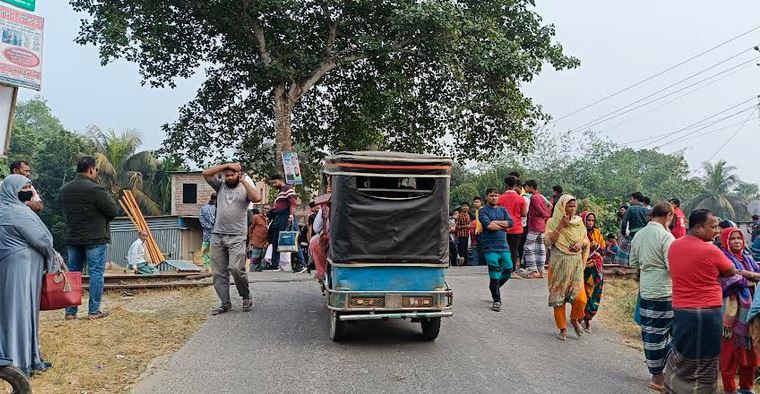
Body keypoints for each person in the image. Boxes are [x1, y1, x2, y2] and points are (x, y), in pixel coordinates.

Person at [664, 209, 737, 393]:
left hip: (681, 309)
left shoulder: (674, 245)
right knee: (706, 357)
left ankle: (673, 385)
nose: (717, 231)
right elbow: (731, 271)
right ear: (697, 227)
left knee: (681, 351)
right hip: (706, 312)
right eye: (712, 227)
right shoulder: (710, 249)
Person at [0, 175, 57, 375]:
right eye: (24, 187)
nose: (29, 190)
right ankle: (18, 361)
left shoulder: (4, 210)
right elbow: (41, 239)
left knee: (14, 311)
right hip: (20, 269)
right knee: (20, 311)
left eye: (30, 186)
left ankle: (19, 356)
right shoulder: (17, 211)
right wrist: (53, 256)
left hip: (14, 267)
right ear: (11, 190)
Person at [61, 156, 119, 320]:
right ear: (91, 169)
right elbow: (113, 211)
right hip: (95, 238)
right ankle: (93, 311)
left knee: (73, 274)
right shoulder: (95, 189)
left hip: (73, 237)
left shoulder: (65, 189)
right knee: (95, 274)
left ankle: (70, 312)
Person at [202, 162, 262, 315]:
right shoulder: (220, 186)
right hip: (218, 235)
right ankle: (224, 303)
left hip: (237, 236)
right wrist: (225, 166)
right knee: (218, 272)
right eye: (226, 175)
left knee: (236, 269)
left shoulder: (244, 188)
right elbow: (206, 174)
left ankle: (245, 295)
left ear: (238, 174)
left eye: (232, 175)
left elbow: (257, 198)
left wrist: (243, 180)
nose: (229, 178)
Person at [628, 202, 675, 392]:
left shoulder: (639, 235)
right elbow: (672, 267)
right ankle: (658, 376)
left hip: (646, 288)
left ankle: (658, 373)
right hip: (664, 290)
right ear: (669, 215)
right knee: (665, 334)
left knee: (650, 333)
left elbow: (633, 262)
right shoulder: (666, 236)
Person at [717, 227, 760, 394]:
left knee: (751, 351)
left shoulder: (748, 258)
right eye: (733, 238)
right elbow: (728, 281)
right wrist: (750, 279)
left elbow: (754, 275)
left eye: (739, 238)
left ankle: (746, 387)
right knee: (730, 353)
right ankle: (729, 388)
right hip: (731, 314)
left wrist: (747, 274)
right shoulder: (723, 259)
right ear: (726, 241)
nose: (737, 241)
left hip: (750, 314)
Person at [544, 194, 589, 340]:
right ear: (563, 207)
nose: (573, 209)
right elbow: (547, 242)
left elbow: (585, 239)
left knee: (581, 299)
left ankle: (574, 318)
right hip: (559, 264)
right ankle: (562, 328)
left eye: (575, 206)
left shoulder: (579, 222)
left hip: (575, 264)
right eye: (570, 206)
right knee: (559, 298)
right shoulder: (552, 222)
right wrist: (561, 225)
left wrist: (580, 244)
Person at [479, 188, 514, 312]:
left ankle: (494, 287)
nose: (494, 197)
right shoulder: (482, 211)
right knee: (494, 272)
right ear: (487, 197)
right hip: (490, 247)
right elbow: (488, 225)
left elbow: (511, 223)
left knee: (508, 270)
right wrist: (502, 226)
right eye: (491, 195)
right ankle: (497, 300)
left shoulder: (502, 210)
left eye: (496, 195)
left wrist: (496, 223)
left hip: (504, 246)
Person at [267, 174, 307, 272]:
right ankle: (275, 264)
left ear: (281, 180)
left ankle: (302, 264)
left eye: (274, 183)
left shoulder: (287, 189)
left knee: (292, 241)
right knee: (275, 240)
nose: (273, 185)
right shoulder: (281, 191)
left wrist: (291, 215)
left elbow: (292, 202)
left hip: (286, 217)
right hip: (278, 218)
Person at [579, 211, 606, 332]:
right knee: (582, 294)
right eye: (588, 220)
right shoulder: (579, 232)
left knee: (593, 294)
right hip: (583, 269)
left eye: (592, 220)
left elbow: (603, 249)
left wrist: (597, 247)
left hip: (596, 270)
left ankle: (588, 319)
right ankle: (578, 316)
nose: (590, 223)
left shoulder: (597, 233)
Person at [498, 176, 527, 272]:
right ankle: (512, 269)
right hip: (517, 227)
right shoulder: (520, 199)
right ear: (515, 185)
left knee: (503, 248)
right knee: (514, 250)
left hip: (502, 227)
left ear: (506, 185)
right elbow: (524, 214)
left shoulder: (500, 198)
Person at [523, 180, 551, 278]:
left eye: (526, 187)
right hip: (541, 225)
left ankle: (533, 270)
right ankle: (541, 270)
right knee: (540, 247)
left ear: (530, 187)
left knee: (528, 247)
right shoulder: (540, 196)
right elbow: (547, 208)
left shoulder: (534, 197)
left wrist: (544, 215)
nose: (525, 189)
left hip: (535, 225)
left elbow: (539, 210)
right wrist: (546, 216)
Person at [616, 192, 648, 267]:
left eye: (631, 199)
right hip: (644, 235)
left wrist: (623, 233)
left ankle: (626, 267)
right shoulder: (646, 210)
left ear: (635, 199)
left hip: (633, 235)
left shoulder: (630, 209)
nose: (630, 201)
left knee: (625, 252)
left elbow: (624, 222)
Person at [198, 193, 216, 270]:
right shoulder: (219, 208)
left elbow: (202, 221)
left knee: (205, 253)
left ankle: (206, 268)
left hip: (207, 235)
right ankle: (214, 269)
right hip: (217, 235)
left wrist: (208, 227)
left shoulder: (203, 208)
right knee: (217, 253)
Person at [469, 196, 484, 266]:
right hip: (478, 232)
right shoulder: (477, 211)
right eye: (475, 202)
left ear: (481, 203)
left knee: (481, 249)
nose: (476, 203)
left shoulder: (482, 210)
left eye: (477, 202)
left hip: (482, 232)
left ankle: (482, 264)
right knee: (479, 248)